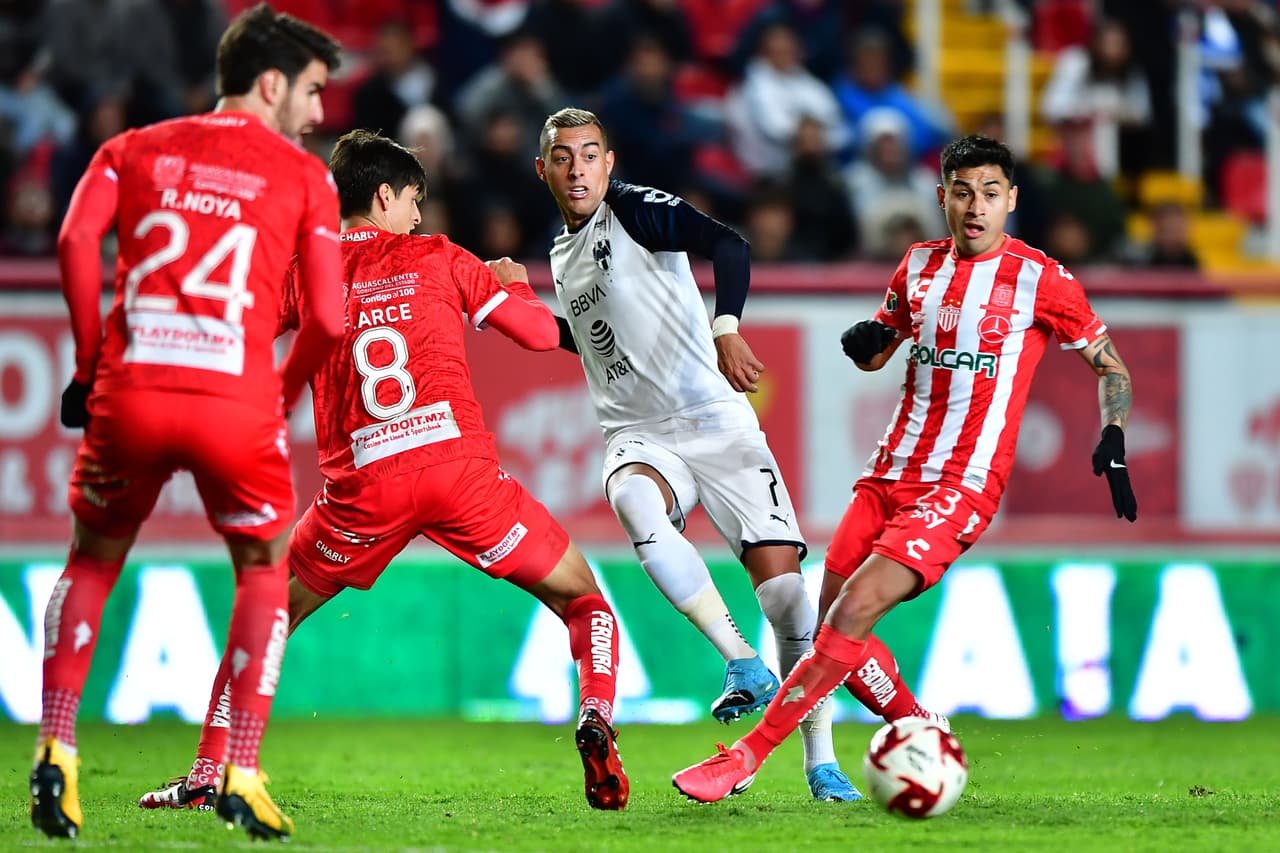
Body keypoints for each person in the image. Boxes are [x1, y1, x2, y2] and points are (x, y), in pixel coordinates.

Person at [136, 128, 629, 814]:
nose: (419, 216)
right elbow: (543, 336)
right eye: (413, 200)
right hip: (459, 472)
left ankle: (205, 774)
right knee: (585, 602)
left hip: (362, 489)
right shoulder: (437, 256)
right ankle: (597, 717)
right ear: (383, 195)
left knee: (265, 614)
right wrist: (514, 288)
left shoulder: (304, 270)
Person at [673, 134, 1138, 802]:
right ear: (943, 195)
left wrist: (1113, 433)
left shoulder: (1042, 279)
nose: (974, 206)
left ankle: (745, 756)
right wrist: (864, 345)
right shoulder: (919, 265)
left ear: (1011, 199)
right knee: (830, 623)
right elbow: (879, 349)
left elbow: (1109, 363)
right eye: (961, 191)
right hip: (886, 474)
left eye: (989, 192)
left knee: (854, 610)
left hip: (961, 484)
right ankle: (920, 731)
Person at [29, 3, 345, 841]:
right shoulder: (306, 176)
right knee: (263, 570)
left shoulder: (132, 148)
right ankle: (242, 766)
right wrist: (277, 395)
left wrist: (89, 361)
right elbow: (327, 319)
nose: (318, 115)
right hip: (233, 402)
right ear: (271, 83)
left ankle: (56, 749)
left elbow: (72, 241)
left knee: (92, 562)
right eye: (312, 92)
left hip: (130, 388)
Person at [535, 107, 859, 802]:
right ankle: (741, 660)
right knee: (631, 498)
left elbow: (729, 244)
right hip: (640, 431)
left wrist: (727, 327)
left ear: (610, 161)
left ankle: (820, 762)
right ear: (544, 170)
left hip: (715, 419)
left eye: (590, 154)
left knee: (788, 601)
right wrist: (517, 309)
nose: (578, 168)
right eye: (563, 157)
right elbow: (594, 341)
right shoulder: (561, 253)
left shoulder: (636, 209)